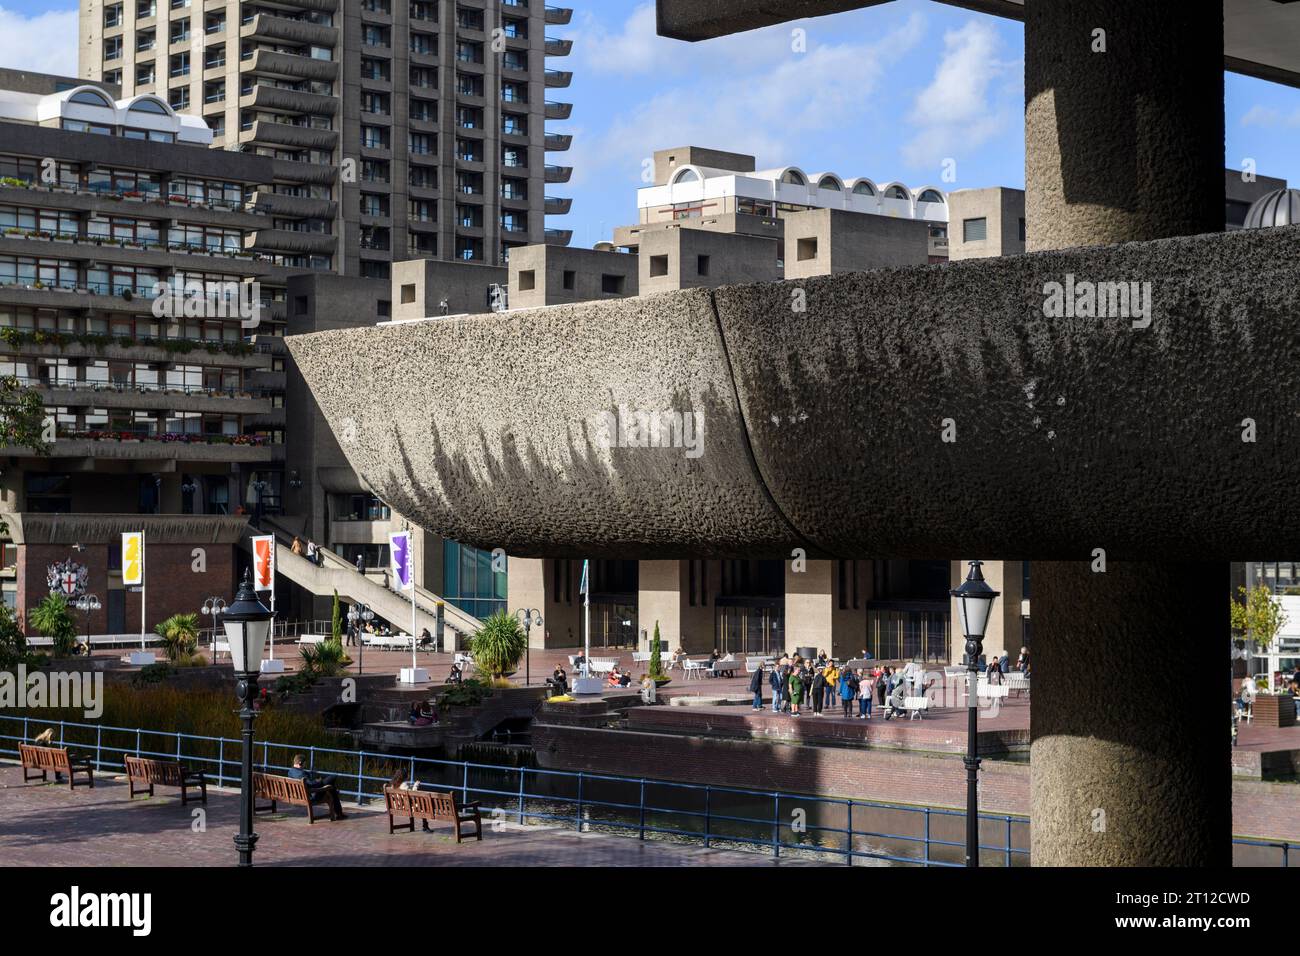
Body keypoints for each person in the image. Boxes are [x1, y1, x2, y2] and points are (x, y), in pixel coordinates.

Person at [287, 754, 346, 820]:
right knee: (333, 777)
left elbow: (307, 781)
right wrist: (319, 781)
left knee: (332, 788)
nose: (305, 766)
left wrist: (314, 779)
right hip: (312, 796)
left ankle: (339, 813)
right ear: (300, 763)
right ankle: (339, 813)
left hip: (299, 795)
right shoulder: (302, 774)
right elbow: (311, 784)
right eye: (304, 764)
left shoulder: (290, 771)